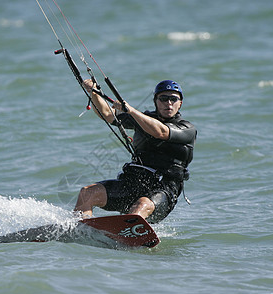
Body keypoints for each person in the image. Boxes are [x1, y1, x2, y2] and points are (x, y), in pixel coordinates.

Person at [74, 79, 197, 223]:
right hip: (133, 182)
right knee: (87, 193)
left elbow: (161, 132)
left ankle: (127, 233)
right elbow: (108, 114)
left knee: (140, 205)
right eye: (163, 98)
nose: (168, 103)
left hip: (163, 189)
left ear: (180, 103)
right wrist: (93, 92)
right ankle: (83, 228)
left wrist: (131, 110)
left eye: (173, 99)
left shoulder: (187, 129)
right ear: (155, 101)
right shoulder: (143, 119)